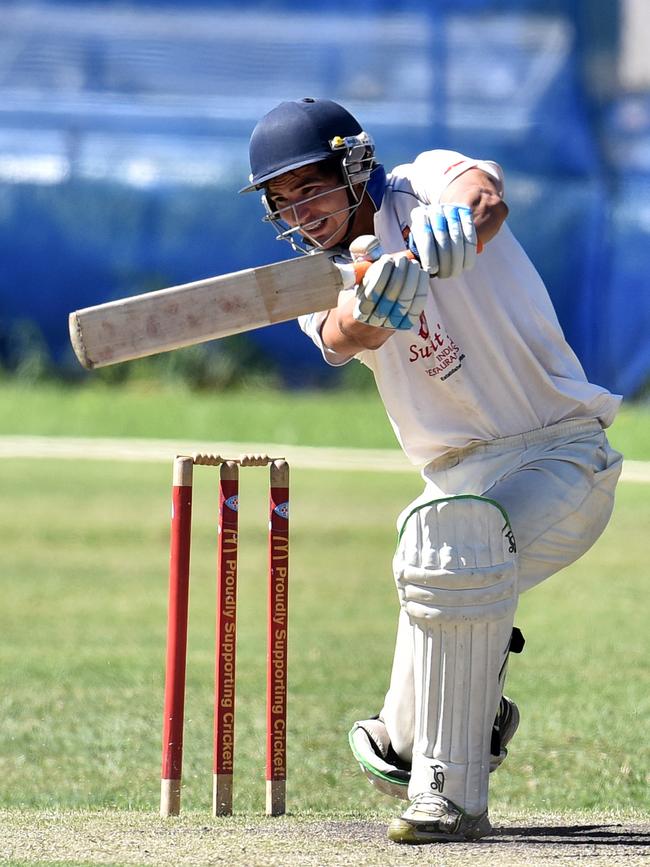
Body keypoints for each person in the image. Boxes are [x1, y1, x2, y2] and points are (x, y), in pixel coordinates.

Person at [241, 97, 623, 844]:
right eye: (284, 203)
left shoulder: (426, 181)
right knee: (399, 747)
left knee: (456, 538)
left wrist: (442, 240)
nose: (302, 212)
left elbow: (483, 199)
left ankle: (451, 802)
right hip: (454, 482)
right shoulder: (315, 283)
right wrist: (383, 298)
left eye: (310, 187)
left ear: (354, 165)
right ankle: (460, 719)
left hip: (561, 450)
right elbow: (347, 333)